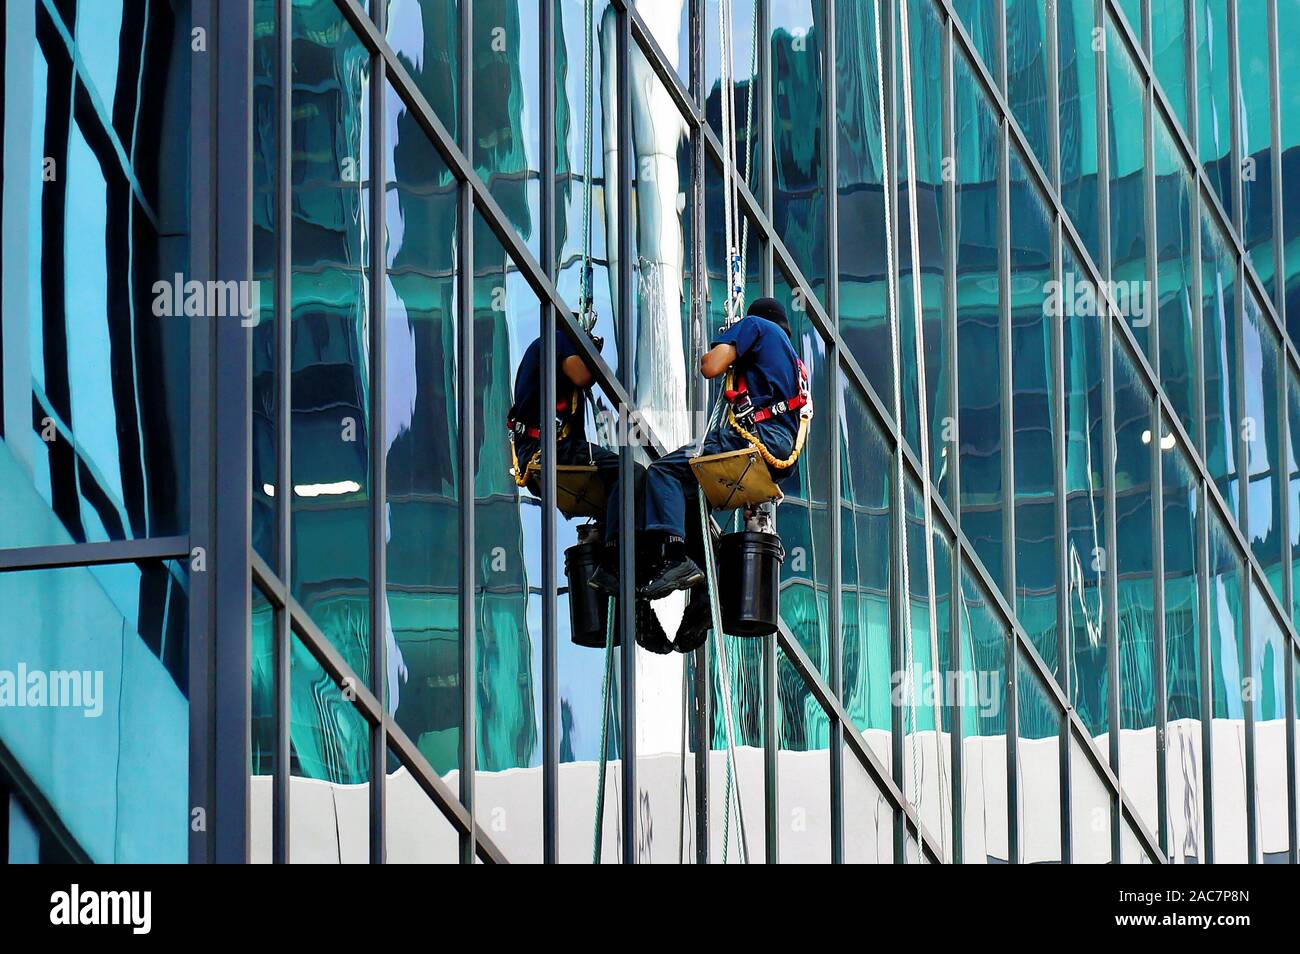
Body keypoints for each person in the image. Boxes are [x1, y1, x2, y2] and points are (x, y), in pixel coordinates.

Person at [638, 297, 809, 602]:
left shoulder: (755, 326)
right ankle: (706, 593)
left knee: (663, 472)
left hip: (755, 438)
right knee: (689, 495)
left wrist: (729, 340)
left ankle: (675, 557)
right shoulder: (794, 362)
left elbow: (710, 366)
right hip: (780, 448)